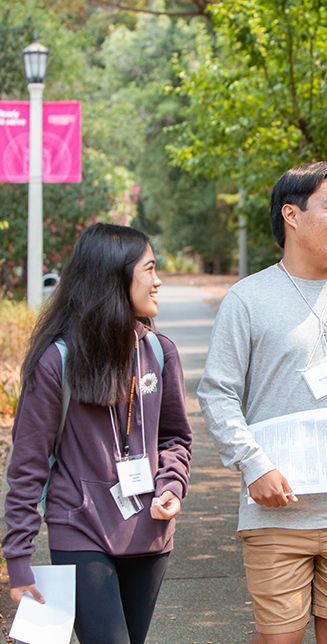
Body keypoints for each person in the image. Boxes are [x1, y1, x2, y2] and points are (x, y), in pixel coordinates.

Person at [198, 161, 327, 644]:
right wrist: (252, 465)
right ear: (291, 215)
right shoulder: (247, 299)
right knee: (281, 638)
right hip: (276, 511)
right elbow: (218, 392)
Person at [3, 223, 192, 644]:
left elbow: (174, 438)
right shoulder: (58, 361)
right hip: (80, 527)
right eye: (149, 269)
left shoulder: (159, 352)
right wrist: (17, 556)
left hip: (150, 529)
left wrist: (171, 485)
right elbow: (27, 465)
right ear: (115, 277)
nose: (158, 280)